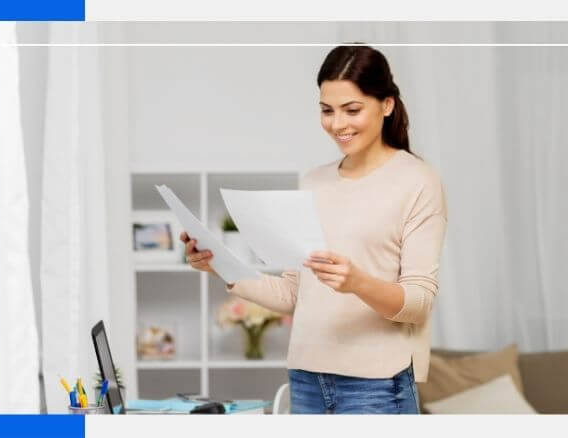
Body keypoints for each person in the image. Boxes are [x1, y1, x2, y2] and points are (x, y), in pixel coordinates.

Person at [181, 45, 448, 414]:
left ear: (386, 104)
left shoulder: (417, 181)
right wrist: (218, 264)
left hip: (377, 386)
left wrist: (358, 283)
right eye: (327, 110)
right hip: (307, 379)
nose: (338, 124)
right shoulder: (313, 182)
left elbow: (419, 303)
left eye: (352, 110)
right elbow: (294, 293)